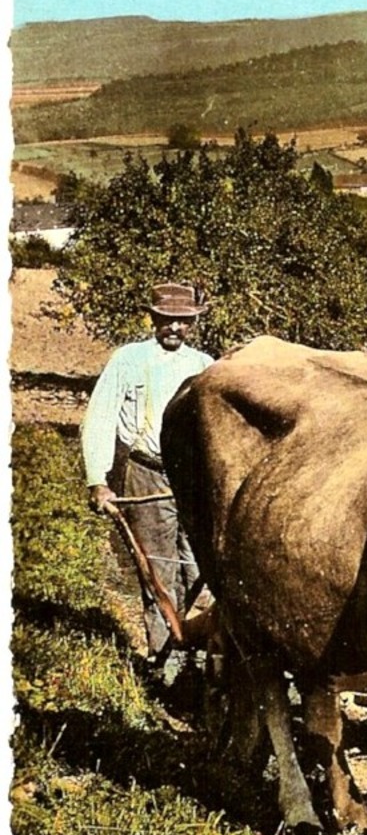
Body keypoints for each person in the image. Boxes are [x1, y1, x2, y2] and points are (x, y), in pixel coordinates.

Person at [82, 282, 215, 673]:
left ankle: (203, 658)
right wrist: (98, 480)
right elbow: (100, 419)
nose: (175, 329)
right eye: (167, 321)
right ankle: (165, 663)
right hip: (148, 474)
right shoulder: (128, 360)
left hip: (194, 479)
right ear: (154, 319)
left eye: (183, 322)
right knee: (157, 567)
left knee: (201, 566)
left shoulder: (205, 366)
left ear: (192, 323)